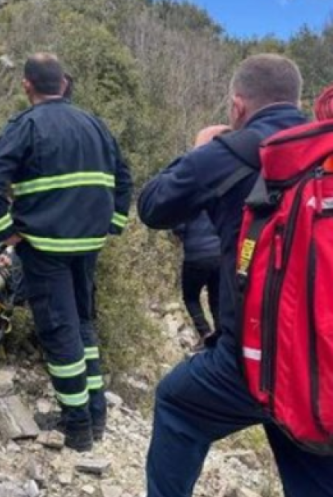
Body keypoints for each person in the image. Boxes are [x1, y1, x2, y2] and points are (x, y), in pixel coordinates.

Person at [137, 53, 333, 497]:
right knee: (308, 434)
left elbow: (152, 206)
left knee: (176, 404)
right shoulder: (324, 151)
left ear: (237, 107)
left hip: (248, 362)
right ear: (298, 101)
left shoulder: (228, 153)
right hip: (320, 361)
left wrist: (199, 152)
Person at [0, 53, 133, 451]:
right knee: (83, 324)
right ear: (63, 84)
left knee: (60, 331)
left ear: (27, 85)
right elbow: (124, 177)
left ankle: (77, 426)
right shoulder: (95, 124)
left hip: (45, 247)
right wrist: (113, 223)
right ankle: (96, 414)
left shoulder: (26, 125)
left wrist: (4, 233)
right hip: (88, 243)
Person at [171, 210, 221, 343]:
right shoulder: (215, 201)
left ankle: (205, 332)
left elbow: (178, 228)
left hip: (196, 257)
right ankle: (221, 333)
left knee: (190, 298)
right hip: (219, 255)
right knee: (216, 298)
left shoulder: (188, 203)